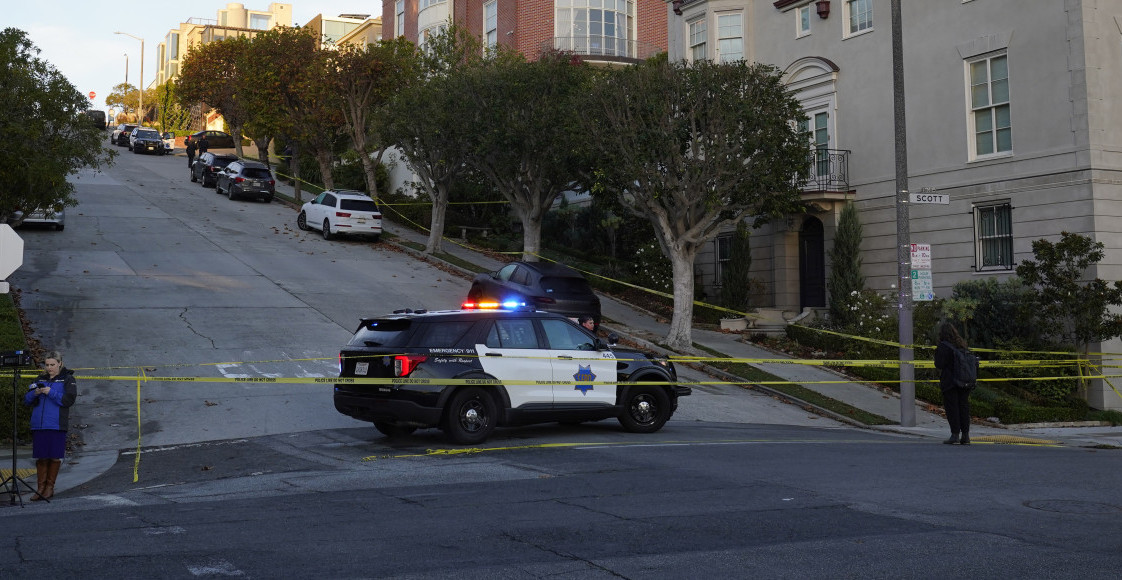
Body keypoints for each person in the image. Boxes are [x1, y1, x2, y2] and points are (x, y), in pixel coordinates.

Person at [24, 351, 78, 501]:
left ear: (60, 363)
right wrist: (35, 393)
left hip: (56, 424)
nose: (49, 368)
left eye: (52, 365)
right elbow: (26, 400)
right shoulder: (39, 379)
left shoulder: (68, 379)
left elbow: (68, 400)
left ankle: (49, 488)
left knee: (54, 457)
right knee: (41, 458)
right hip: (39, 425)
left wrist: (50, 392)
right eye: (47, 365)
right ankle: (40, 488)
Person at [933, 322, 972, 445]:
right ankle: (965, 435)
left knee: (952, 408)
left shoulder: (943, 346)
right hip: (964, 381)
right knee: (963, 407)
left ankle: (955, 434)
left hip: (950, 382)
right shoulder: (962, 345)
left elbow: (939, 364)